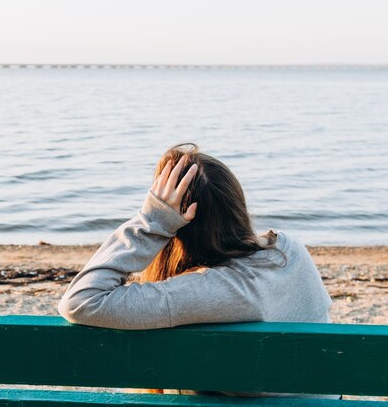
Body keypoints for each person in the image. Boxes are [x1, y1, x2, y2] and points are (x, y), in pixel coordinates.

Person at [57, 142, 340, 399]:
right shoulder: (289, 250)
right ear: (235, 204)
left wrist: (151, 223)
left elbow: (82, 301)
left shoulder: (204, 291)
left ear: (182, 227)